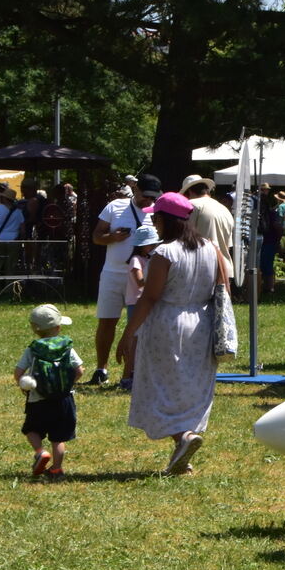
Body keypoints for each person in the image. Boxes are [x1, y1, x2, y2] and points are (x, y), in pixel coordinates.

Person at [115, 192, 225, 475]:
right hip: (202, 322)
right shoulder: (211, 248)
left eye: (155, 218)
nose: (154, 223)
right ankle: (183, 452)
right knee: (191, 385)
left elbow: (149, 297)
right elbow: (223, 288)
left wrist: (128, 334)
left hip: (167, 322)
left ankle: (182, 438)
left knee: (161, 385)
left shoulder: (165, 252)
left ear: (164, 220)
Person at [90, 173, 161, 385]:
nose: (148, 201)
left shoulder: (157, 211)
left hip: (142, 276)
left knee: (137, 325)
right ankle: (101, 368)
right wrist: (113, 237)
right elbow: (96, 237)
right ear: (136, 189)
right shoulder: (115, 206)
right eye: (145, 196)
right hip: (113, 272)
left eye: (152, 197)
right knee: (107, 320)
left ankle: (132, 372)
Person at [13, 304, 84, 479]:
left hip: (38, 399)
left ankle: (40, 452)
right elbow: (80, 370)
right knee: (58, 437)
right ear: (58, 327)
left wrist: (24, 385)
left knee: (31, 429)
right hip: (64, 400)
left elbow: (18, 373)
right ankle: (57, 469)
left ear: (35, 329)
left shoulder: (33, 348)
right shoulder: (66, 346)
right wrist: (67, 385)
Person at [119, 224, 161, 391]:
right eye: (151, 244)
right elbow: (140, 281)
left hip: (145, 303)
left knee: (143, 341)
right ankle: (126, 376)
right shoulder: (136, 260)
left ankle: (136, 374)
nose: (154, 247)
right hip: (137, 304)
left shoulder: (148, 259)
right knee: (134, 342)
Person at [181, 174, 234, 282]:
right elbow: (227, 246)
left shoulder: (191, 205)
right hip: (224, 270)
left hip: (201, 271)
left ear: (189, 192)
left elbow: (183, 238)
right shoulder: (224, 209)